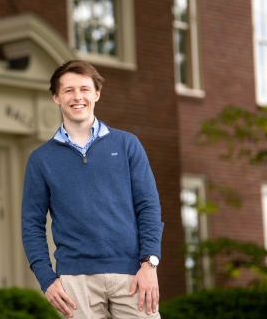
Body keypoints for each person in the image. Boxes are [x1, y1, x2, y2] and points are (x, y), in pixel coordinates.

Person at [21, 60, 164, 319]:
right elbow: (31, 224)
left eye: (85, 89)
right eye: (68, 90)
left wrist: (150, 263)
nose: (78, 97)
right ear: (56, 97)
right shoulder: (41, 159)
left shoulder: (127, 144)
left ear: (96, 94)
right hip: (76, 281)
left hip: (132, 274)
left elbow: (149, 207)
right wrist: (46, 278)